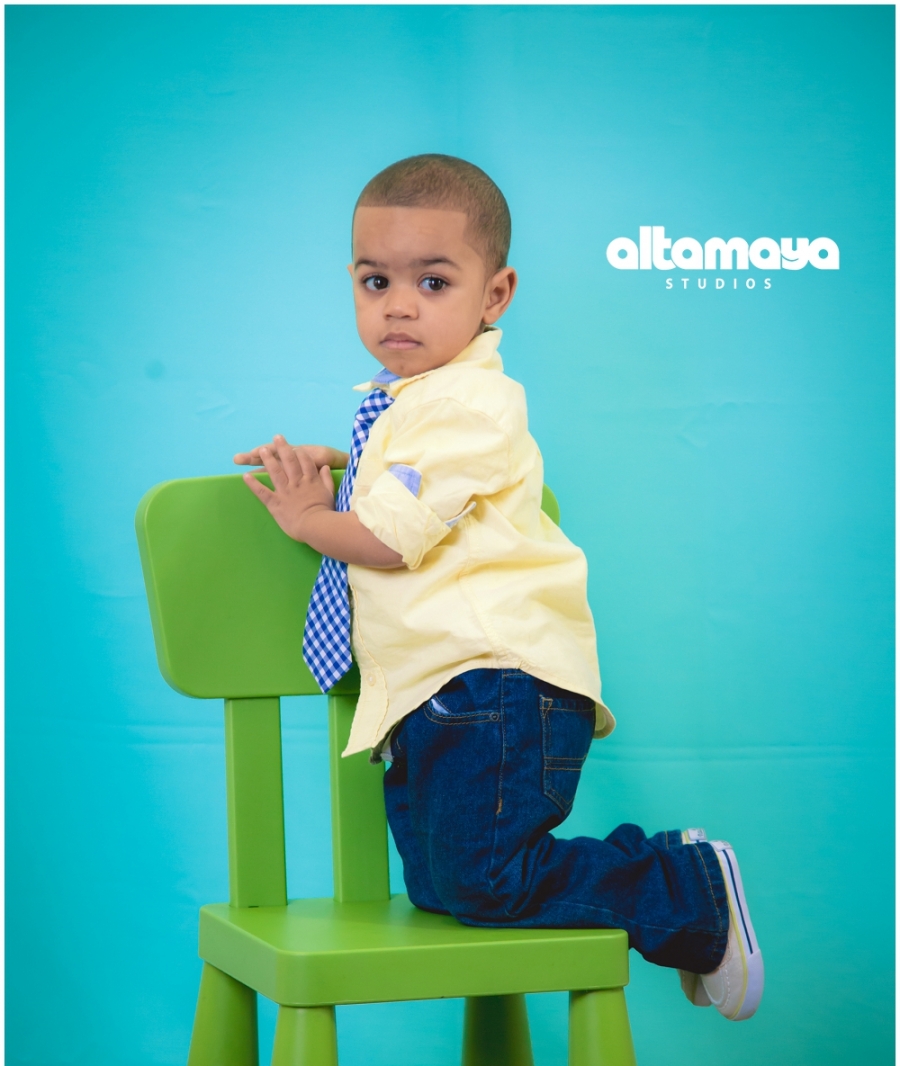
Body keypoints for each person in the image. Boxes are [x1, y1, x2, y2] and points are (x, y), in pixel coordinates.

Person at [235, 154, 763, 1022]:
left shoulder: (472, 405)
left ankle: (688, 890)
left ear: (495, 294)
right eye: (375, 280)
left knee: (486, 881)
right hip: (439, 692)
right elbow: (405, 478)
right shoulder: (413, 403)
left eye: (433, 282)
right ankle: (664, 866)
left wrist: (307, 515)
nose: (398, 305)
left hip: (494, 682)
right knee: (444, 887)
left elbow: (388, 541)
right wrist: (345, 464)